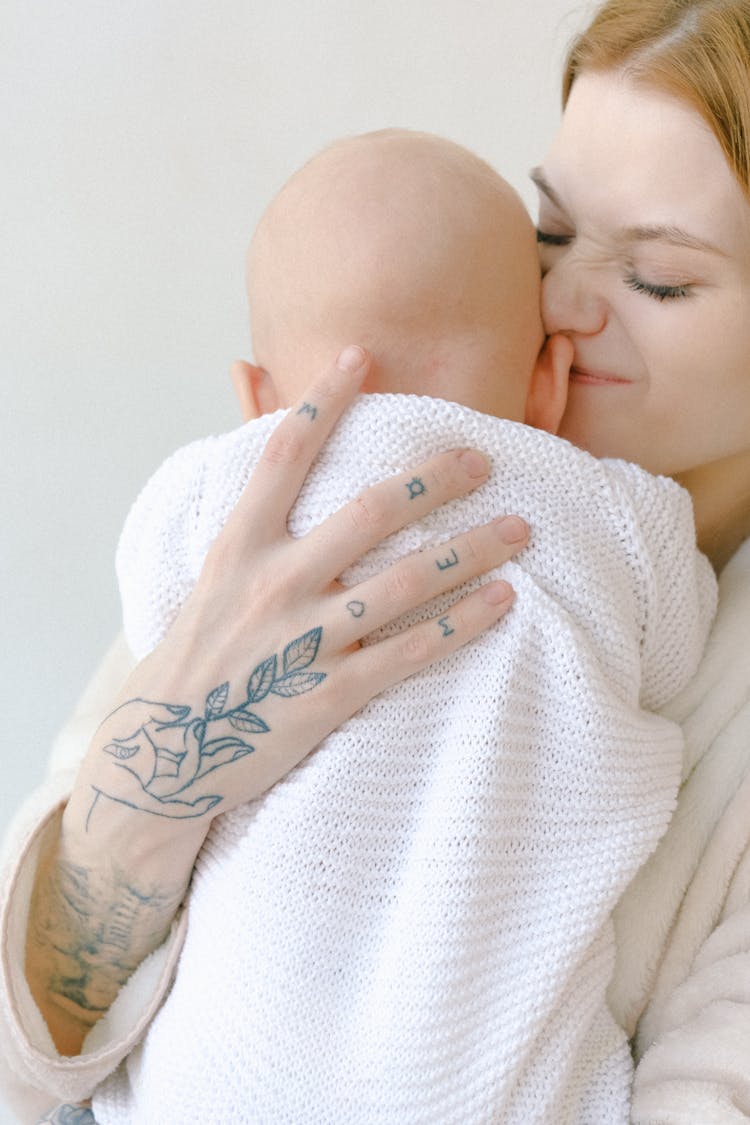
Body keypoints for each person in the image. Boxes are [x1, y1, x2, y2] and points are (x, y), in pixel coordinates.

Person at [0, 0, 748, 1120]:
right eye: (548, 237)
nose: (556, 304)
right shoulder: (288, 533)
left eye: (661, 281)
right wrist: (162, 782)